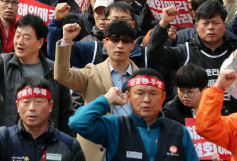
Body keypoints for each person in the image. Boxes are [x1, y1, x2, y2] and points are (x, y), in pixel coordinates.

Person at [0, 14, 74, 134]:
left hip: (47, 140)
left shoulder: (55, 70)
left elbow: (65, 113)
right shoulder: (4, 64)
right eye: (17, 35)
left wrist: (67, 146)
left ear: (40, 43)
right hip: (11, 140)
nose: (19, 41)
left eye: (26, 38)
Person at [69, 69, 199, 161]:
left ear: (163, 97)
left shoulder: (178, 131)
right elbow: (78, 122)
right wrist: (107, 99)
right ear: (128, 97)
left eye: (153, 93)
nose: (147, 99)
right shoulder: (115, 126)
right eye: (140, 93)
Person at [55, 20, 140, 160]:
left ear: (132, 45)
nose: (119, 45)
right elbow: (62, 75)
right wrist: (66, 41)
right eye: (114, 39)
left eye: (125, 41)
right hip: (95, 151)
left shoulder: (142, 77)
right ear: (105, 43)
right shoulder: (92, 72)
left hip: (133, 148)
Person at [0, 78, 85, 161]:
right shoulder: (4, 138)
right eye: (26, 102)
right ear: (17, 106)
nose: (32, 108)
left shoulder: (69, 145)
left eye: (38, 102)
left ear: (50, 106)